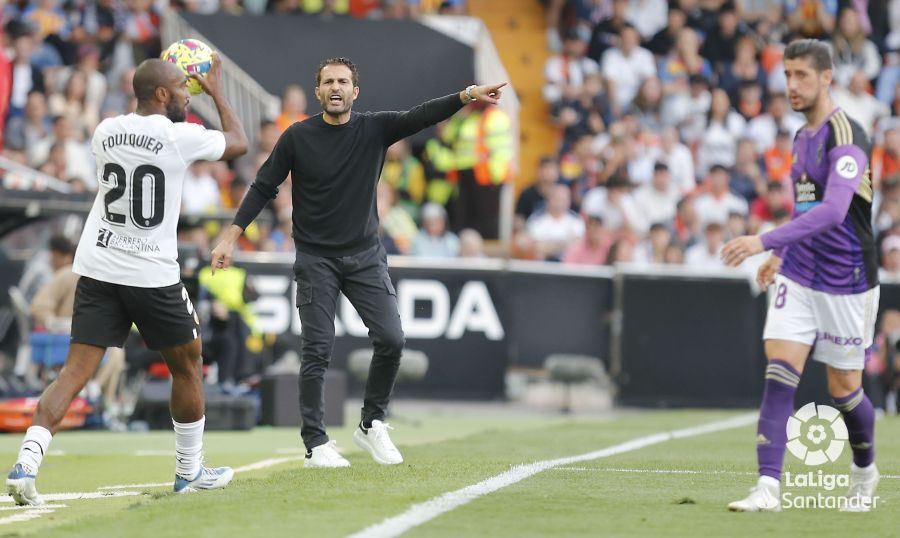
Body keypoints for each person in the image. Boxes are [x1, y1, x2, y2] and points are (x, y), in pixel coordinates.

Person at [210, 57, 505, 468]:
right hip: (316, 259)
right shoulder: (297, 136)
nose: (335, 87)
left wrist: (467, 95)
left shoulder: (375, 127)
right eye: (328, 81)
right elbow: (263, 186)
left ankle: (371, 424)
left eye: (343, 81)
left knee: (392, 339)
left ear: (355, 91)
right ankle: (315, 443)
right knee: (317, 349)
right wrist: (230, 235)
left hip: (366, 256)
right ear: (318, 92)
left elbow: (421, 115)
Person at [6, 55, 248, 505]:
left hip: (99, 266)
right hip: (151, 269)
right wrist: (215, 89)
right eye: (180, 88)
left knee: (74, 371)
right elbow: (239, 142)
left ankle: (25, 465)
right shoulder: (179, 137)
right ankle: (188, 470)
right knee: (188, 363)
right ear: (160, 94)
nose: (185, 96)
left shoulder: (104, 130)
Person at [722, 40, 880, 512]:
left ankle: (864, 470)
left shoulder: (847, 134)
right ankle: (768, 488)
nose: (791, 85)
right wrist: (783, 254)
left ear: (827, 77)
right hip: (801, 272)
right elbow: (805, 207)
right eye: (787, 74)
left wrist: (764, 241)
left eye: (802, 76)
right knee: (779, 372)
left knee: (844, 391)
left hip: (848, 279)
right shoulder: (800, 138)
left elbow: (833, 212)